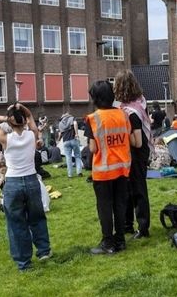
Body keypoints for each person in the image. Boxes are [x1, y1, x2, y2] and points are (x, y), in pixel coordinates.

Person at [0, 103, 51, 271]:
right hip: (31, 180)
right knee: (37, 217)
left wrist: (7, 118)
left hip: (13, 183)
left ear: (10, 123)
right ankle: (44, 251)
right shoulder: (32, 135)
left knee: (16, 223)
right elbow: (30, 116)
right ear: (24, 121)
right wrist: (22, 108)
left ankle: (24, 263)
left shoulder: (5, 139)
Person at [84, 80, 134, 254]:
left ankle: (107, 243)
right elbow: (127, 136)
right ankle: (120, 240)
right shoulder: (123, 115)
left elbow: (92, 148)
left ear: (95, 98)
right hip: (122, 168)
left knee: (105, 207)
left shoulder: (93, 119)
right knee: (120, 206)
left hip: (103, 172)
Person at [115, 70, 152, 239]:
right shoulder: (140, 103)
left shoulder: (131, 112)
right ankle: (127, 224)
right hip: (139, 151)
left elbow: (136, 141)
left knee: (137, 189)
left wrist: (122, 133)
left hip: (136, 152)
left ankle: (143, 228)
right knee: (129, 189)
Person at [58, 112, 83, 178]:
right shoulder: (71, 118)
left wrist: (58, 140)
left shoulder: (60, 123)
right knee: (77, 156)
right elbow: (75, 123)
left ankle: (70, 174)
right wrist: (77, 133)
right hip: (73, 139)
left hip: (65, 141)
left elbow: (60, 133)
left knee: (68, 157)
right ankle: (79, 172)